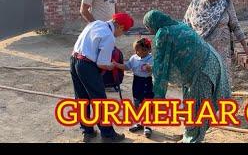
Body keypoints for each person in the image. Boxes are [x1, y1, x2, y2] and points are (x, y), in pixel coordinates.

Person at [143, 10, 230, 143]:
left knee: (197, 108)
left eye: (148, 27)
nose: (149, 31)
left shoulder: (164, 33)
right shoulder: (179, 25)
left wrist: (157, 92)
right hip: (211, 59)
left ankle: (192, 139)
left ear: (153, 24)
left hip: (202, 70)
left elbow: (161, 64)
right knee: (192, 103)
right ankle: (189, 134)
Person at [70, 12, 134, 142]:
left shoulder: (95, 23)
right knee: (99, 100)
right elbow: (101, 63)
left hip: (74, 60)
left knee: (81, 98)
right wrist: (112, 65)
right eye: (124, 31)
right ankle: (108, 135)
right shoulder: (109, 36)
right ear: (120, 26)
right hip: (87, 65)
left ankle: (87, 132)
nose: (121, 35)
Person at [184, 0, 248, 86]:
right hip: (202, 51)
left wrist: (245, 45)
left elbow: (235, 25)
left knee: (222, 81)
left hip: (222, 52)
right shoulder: (195, 5)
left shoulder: (225, 3)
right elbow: (186, 26)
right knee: (205, 82)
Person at [114, 37, 154, 138]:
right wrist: (116, 65)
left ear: (147, 50)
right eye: (135, 50)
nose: (136, 52)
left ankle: (147, 125)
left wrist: (150, 68)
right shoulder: (134, 58)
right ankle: (139, 123)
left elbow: (156, 69)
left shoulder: (151, 59)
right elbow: (127, 66)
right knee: (137, 103)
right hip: (137, 82)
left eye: (139, 50)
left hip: (147, 83)